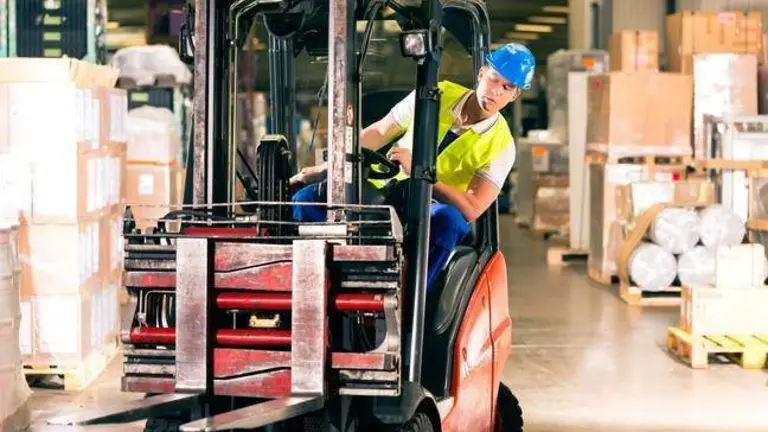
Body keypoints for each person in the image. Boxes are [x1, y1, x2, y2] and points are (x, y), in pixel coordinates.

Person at [290, 42, 535, 291]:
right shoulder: (435, 94)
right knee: (307, 199)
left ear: (515, 95)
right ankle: (314, 288)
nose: (496, 91)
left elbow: (472, 207)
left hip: (429, 207)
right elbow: (381, 131)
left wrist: (422, 173)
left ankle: (407, 297)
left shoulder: (502, 146)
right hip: (384, 190)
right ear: (481, 73)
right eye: (494, 79)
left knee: (448, 222)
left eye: (507, 87)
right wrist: (328, 167)